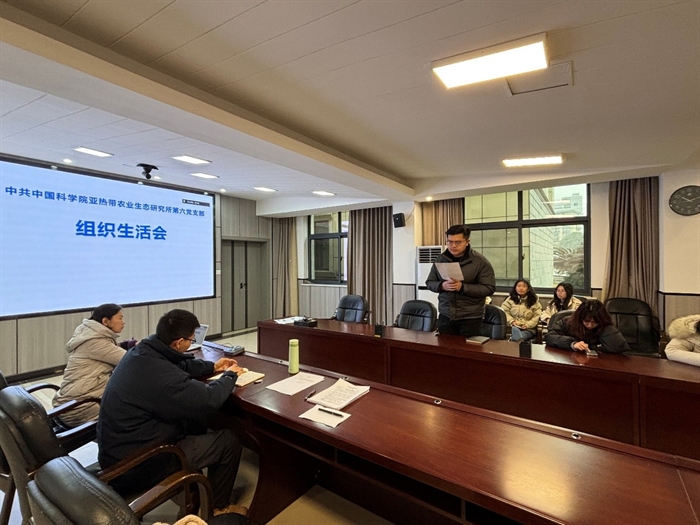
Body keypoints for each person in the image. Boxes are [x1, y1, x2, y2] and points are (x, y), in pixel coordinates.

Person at [97, 309, 248, 516]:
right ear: (179, 342)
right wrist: (229, 376)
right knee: (228, 441)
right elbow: (208, 400)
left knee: (195, 421)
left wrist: (212, 367)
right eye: (191, 340)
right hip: (137, 463)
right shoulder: (161, 375)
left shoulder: (142, 352)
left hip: (118, 449)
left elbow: (179, 364)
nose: (191, 343)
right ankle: (218, 509)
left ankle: (201, 486)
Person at [52, 303, 136, 427]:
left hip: (73, 402)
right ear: (106, 321)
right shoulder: (95, 342)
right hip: (80, 408)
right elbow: (131, 360)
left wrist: (128, 345)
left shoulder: (90, 335)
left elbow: (111, 351)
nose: (123, 322)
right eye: (120, 318)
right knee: (137, 412)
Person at [426, 224, 496, 337]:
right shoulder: (441, 259)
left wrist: (462, 287)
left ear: (467, 242)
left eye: (458, 242)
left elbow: (489, 288)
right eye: (449, 242)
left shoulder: (480, 261)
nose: (453, 246)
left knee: (468, 348)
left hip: (471, 317)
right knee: (444, 346)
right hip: (446, 315)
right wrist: (441, 286)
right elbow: (430, 282)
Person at [545, 299, 630, 354]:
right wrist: (572, 344)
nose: (590, 325)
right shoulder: (567, 322)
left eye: (595, 322)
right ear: (580, 318)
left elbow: (619, 347)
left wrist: (592, 347)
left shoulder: (606, 326)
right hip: (571, 361)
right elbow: (550, 337)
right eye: (586, 321)